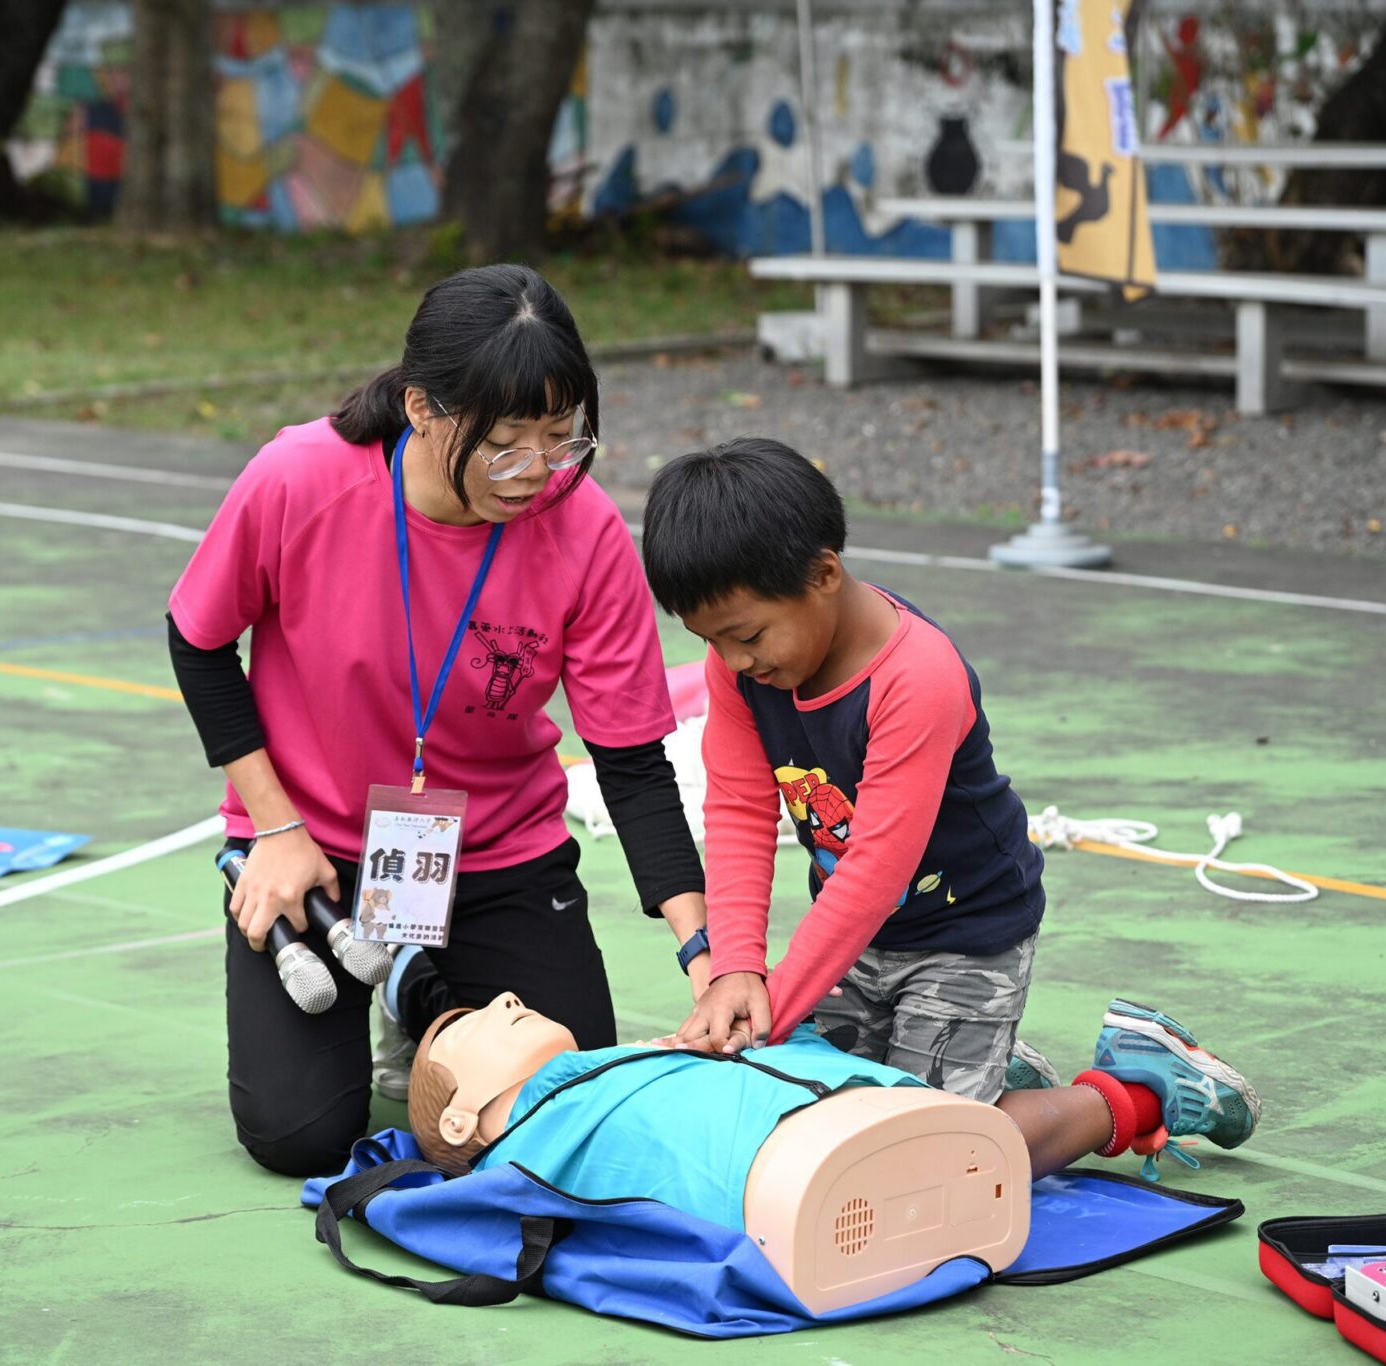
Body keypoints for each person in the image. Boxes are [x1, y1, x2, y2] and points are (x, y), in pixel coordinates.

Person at [167, 265, 709, 1177]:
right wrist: (276, 827)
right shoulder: (302, 478)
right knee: (299, 1138)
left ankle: (418, 991)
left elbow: (634, 763)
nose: (534, 470)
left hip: (498, 851)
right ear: (422, 409)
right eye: (504, 442)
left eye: (559, 436)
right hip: (316, 858)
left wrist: (705, 954)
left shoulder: (584, 531)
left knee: (559, 1109)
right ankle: (401, 980)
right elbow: (198, 641)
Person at [638, 438, 1258, 1177]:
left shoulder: (916, 677)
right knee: (795, 1112)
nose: (733, 661)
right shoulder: (739, 669)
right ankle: (985, 1064)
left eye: (745, 636)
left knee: (925, 1160)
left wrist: (768, 1012)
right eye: (709, 641)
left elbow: (874, 871)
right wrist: (738, 968)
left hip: (967, 936)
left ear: (824, 574)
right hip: (855, 938)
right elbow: (739, 809)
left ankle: (1137, 1089)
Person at [406, 991, 1259, 1310]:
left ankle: (1030, 1081)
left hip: (808, 1133)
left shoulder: (605, 1071)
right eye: (477, 1022)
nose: (507, 997)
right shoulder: (522, 1159)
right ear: (460, 1122)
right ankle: (1143, 1089)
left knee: (951, 1135)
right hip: (794, 1165)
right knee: (972, 1145)